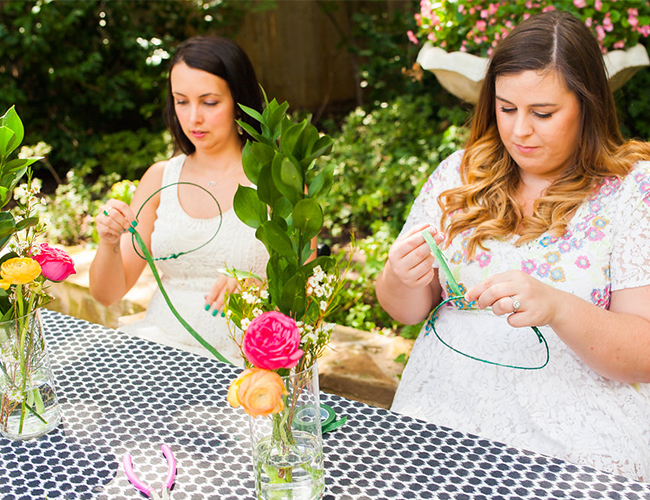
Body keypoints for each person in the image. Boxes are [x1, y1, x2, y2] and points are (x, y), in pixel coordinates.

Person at [376, 11, 650, 481]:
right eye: (506, 108)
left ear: (588, 106)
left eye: (542, 113)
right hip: (441, 421)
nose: (520, 130)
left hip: (569, 449)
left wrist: (557, 307)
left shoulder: (631, 191)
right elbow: (404, 309)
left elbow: (642, 352)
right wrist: (399, 277)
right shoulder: (460, 174)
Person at [90, 36, 268, 365]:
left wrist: (258, 287)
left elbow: (305, 297)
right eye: (181, 101)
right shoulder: (161, 177)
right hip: (160, 352)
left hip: (243, 361)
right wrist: (109, 242)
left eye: (210, 102)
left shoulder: (275, 182)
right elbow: (108, 294)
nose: (193, 118)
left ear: (239, 99)